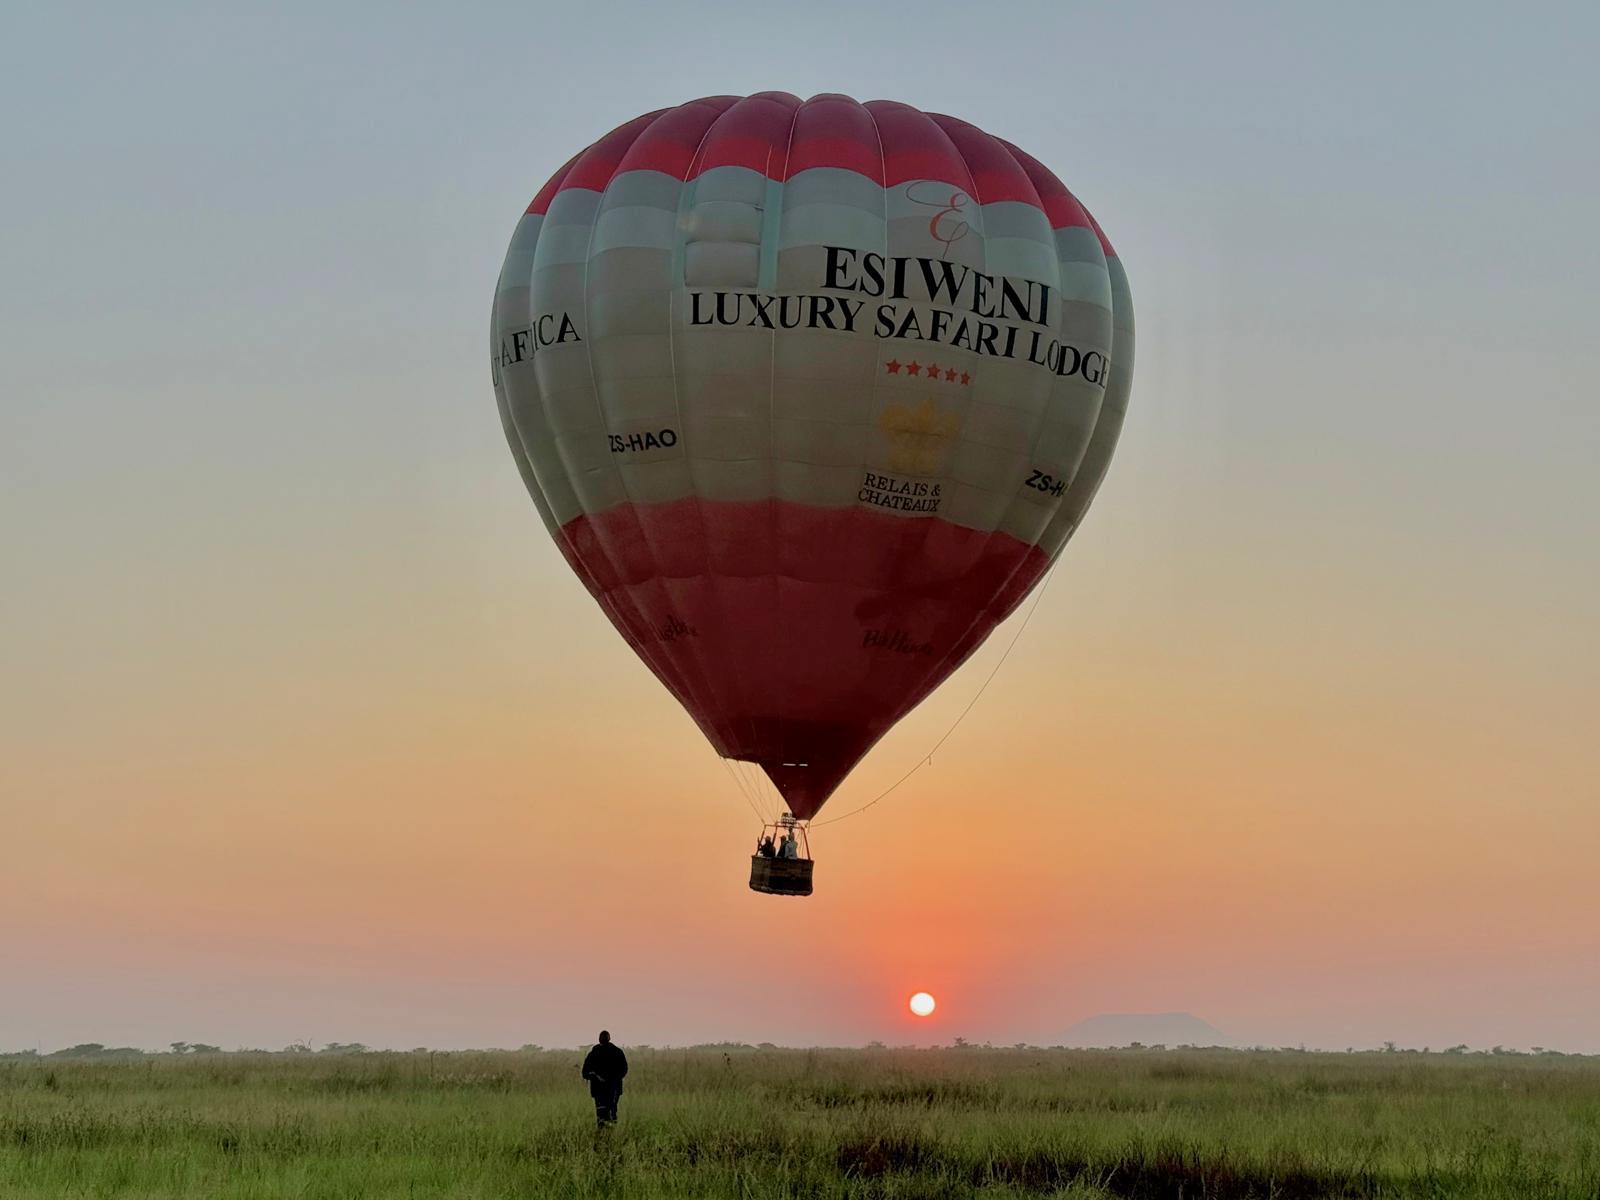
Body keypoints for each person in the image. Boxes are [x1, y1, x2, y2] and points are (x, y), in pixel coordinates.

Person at [580, 1030, 628, 1126]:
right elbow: (624, 1070)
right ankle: (610, 1133)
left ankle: (604, 1135)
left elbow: (585, 1073)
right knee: (611, 1111)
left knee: (603, 1113)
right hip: (611, 1089)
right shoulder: (617, 1052)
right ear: (609, 1039)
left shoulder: (594, 1053)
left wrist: (596, 1077)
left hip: (602, 1089)